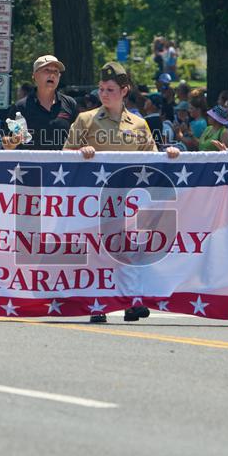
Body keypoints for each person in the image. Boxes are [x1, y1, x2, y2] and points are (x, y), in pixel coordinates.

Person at [64, 61, 181, 324]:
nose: (104, 94)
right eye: (102, 89)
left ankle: (131, 303)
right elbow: (64, 154)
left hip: (130, 200)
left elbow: (151, 161)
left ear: (124, 90)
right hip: (95, 200)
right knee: (98, 253)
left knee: (128, 252)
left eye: (111, 89)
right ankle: (97, 305)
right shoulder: (86, 120)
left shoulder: (138, 125)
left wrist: (169, 155)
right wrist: (80, 153)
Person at [1, 55, 79, 151]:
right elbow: (6, 143)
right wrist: (13, 141)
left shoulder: (70, 104)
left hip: (63, 165)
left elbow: (80, 138)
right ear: (34, 75)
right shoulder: (20, 107)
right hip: (31, 165)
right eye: (47, 70)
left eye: (56, 71)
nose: (52, 75)